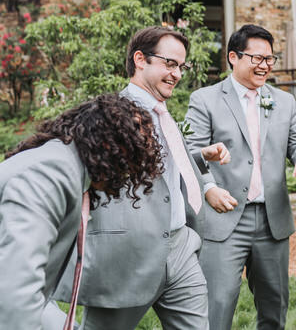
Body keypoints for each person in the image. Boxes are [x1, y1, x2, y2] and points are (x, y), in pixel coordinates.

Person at [56, 26, 231, 330]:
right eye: (169, 63)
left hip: (181, 250)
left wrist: (200, 157)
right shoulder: (108, 116)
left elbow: (161, 167)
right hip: (127, 258)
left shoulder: (162, 112)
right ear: (140, 59)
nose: (176, 74)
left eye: (181, 66)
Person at [185, 24, 296, 330]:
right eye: (257, 58)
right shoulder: (205, 99)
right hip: (224, 217)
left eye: (270, 59)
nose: (264, 66)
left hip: (273, 221)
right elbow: (190, 152)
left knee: (274, 308)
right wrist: (208, 188)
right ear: (233, 57)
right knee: (216, 307)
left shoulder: (284, 101)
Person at [0, 94, 163, 329]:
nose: (128, 174)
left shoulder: (67, 164)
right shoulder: (53, 175)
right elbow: (16, 291)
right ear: (106, 144)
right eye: (130, 160)